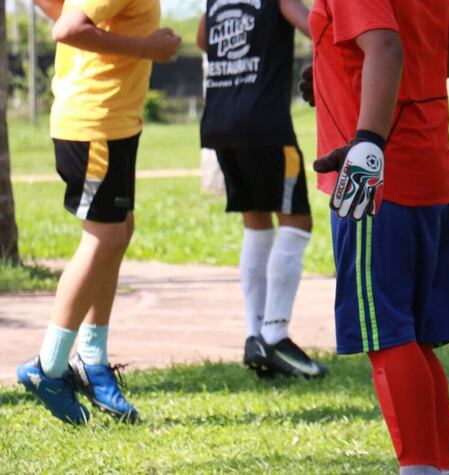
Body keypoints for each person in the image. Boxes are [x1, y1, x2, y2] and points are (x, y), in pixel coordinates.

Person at [304, 0, 449, 473]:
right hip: (430, 167)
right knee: (412, 335)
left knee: (388, 333)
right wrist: (334, 72)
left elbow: (385, 47)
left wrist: (369, 139)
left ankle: (419, 467)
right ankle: (448, 468)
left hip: (377, 179)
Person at [16, 0, 180, 425]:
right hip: (94, 125)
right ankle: (48, 368)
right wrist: (148, 48)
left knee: (119, 230)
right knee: (104, 237)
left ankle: (92, 358)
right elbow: (67, 28)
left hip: (115, 122)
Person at [197, 0, 327, 378]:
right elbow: (317, 27)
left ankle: (255, 335)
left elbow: (204, 38)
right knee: (297, 220)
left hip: (220, 123)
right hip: (265, 125)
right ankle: (275, 335)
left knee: (256, 222)